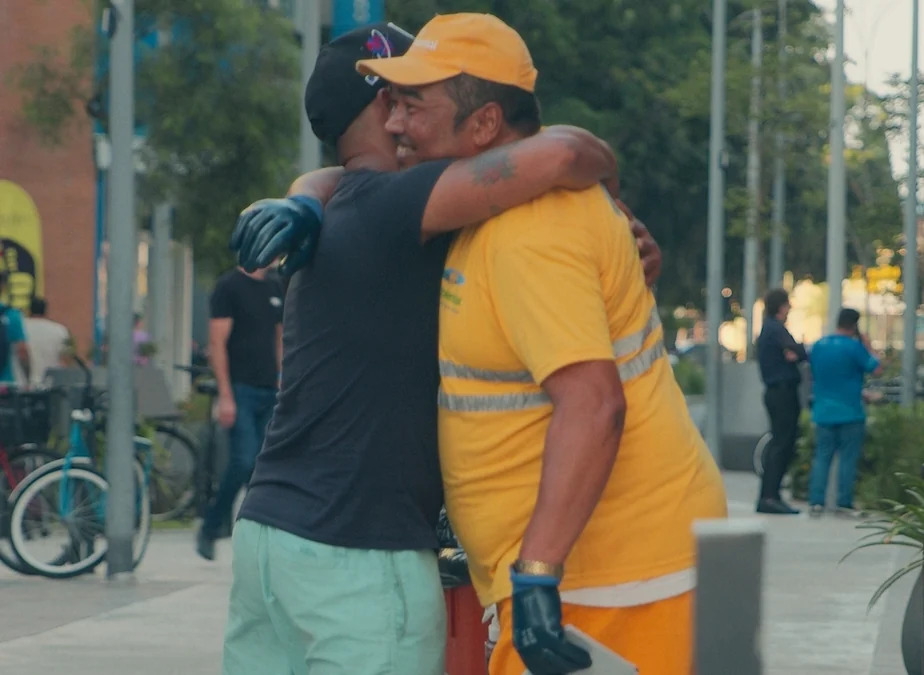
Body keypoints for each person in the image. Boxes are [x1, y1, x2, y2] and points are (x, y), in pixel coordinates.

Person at [223, 22, 661, 675]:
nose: (411, 111)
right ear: (385, 108)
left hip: (268, 538)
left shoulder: (343, 207)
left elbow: (332, 179)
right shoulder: (400, 205)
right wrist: (611, 194)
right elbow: (569, 155)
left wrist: (302, 195)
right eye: (408, 92)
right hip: (358, 549)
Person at [356, 14, 727, 675]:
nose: (393, 125)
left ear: (485, 125)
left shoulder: (530, 232)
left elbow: (592, 404)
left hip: (610, 582)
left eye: (414, 106)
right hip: (589, 576)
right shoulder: (492, 213)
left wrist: (536, 572)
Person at [196, 265, 284, 561]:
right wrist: (225, 395)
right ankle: (211, 526)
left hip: (269, 390)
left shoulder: (274, 288)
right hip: (240, 390)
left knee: (265, 470)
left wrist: (282, 379)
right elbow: (217, 343)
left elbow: (279, 338)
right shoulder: (228, 287)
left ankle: (256, 536)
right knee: (243, 461)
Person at [808, 308, 881, 517]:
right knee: (848, 459)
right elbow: (875, 368)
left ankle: (816, 502)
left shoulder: (819, 346)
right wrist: (868, 346)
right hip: (850, 411)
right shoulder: (854, 347)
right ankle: (843, 502)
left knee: (822, 457)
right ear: (854, 325)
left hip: (823, 410)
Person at [756, 288, 807, 515]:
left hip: (779, 391)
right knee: (781, 444)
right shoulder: (775, 329)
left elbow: (794, 352)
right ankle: (769, 496)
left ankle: (771, 495)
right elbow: (798, 351)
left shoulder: (769, 329)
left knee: (782, 442)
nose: (789, 310)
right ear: (781, 306)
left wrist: (793, 353)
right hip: (781, 392)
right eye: (787, 305)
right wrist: (795, 351)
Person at [23, 297, 70, 386]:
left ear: (29, 311)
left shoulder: (21, 327)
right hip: (50, 383)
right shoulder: (59, 330)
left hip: (24, 383)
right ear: (46, 311)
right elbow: (66, 358)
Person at [0, 272, 30, 386]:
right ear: (3, 286)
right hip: (4, 385)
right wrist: (28, 380)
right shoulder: (11, 315)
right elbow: (22, 351)